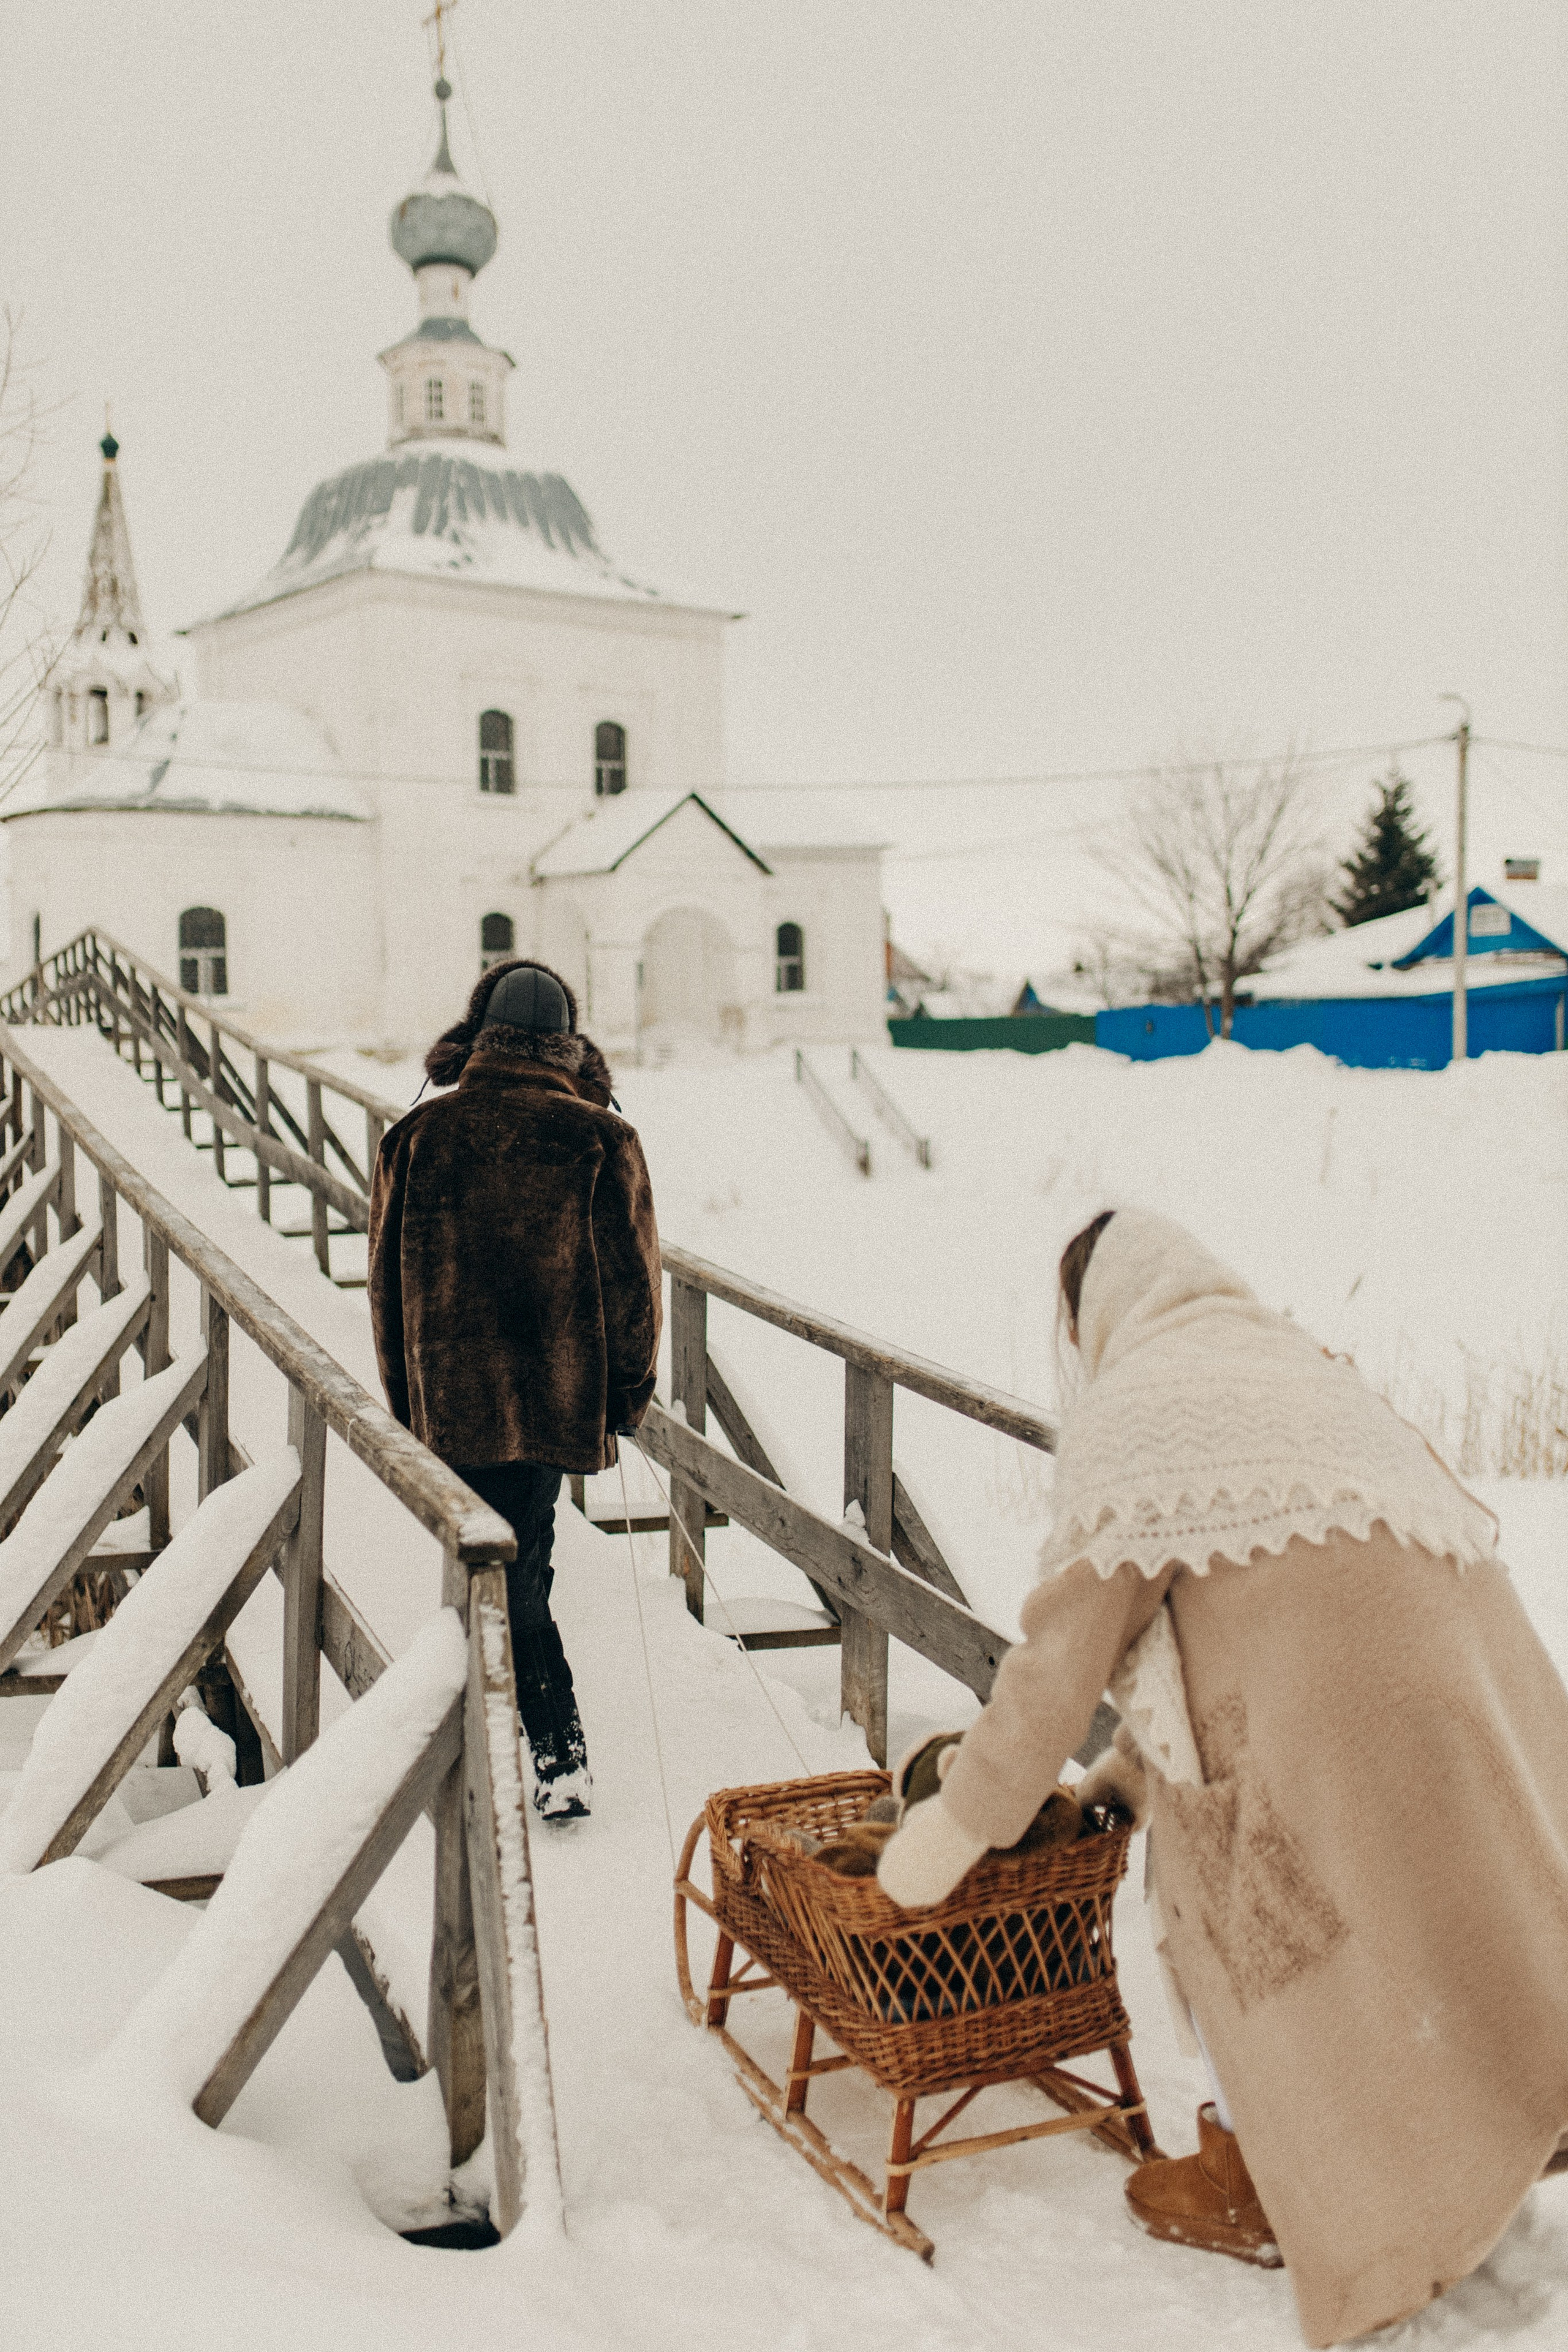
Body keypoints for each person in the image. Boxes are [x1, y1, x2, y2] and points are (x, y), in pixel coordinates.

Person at [876, 1206, 1568, 2348]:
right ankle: (1477, 2143)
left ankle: (1319, 2204)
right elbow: (1234, 1610)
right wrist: (1128, 1771)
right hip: (1470, 1696)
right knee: (1447, 1927)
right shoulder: (1298, 1363)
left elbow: (1064, 1659)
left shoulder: (1137, 1411)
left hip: (1332, 1724)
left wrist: (961, 1822)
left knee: (1264, 1927)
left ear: (1092, 1313)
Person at [368, 958, 662, 1822]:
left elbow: (383, 1285)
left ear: (476, 1033)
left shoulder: (418, 1136)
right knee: (521, 1564)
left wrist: (406, 1406)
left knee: (493, 1564)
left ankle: (504, 1744)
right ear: (569, 1044)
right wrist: (626, 1398)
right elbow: (635, 1285)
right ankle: (553, 1750)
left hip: (447, 1399)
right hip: (552, 1399)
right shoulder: (599, 1138)